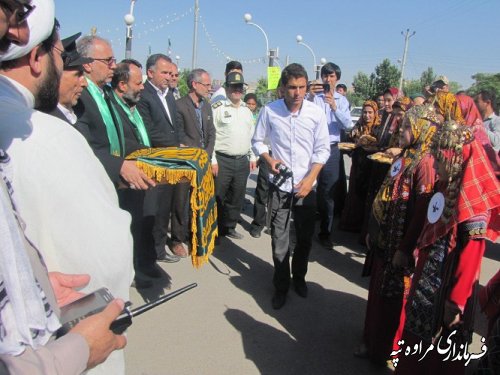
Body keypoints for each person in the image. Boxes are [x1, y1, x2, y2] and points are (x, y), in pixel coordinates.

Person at [0, 1, 132, 373]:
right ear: (36, 58)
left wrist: (33, 281)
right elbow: (107, 255)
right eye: (61, 55)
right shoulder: (47, 134)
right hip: (54, 349)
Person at [394, 120, 500, 374]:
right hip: (427, 283)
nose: (435, 166)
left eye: (439, 160)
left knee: (439, 352)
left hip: (448, 291)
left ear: (455, 159)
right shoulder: (445, 185)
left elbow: (472, 255)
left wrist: (455, 303)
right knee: (416, 341)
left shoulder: (473, 201)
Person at [74, 37, 161, 286]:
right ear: (88, 65)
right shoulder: (81, 96)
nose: (113, 65)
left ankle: (125, 277)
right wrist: (119, 165)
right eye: (108, 60)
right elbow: (83, 144)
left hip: (116, 180)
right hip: (97, 181)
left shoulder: (105, 95)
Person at [357, 104, 438, 366]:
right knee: (377, 295)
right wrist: (373, 229)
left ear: (421, 130)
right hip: (383, 241)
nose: (400, 131)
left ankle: (389, 352)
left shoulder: (425, 163)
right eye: (401, 126)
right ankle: (370, 342)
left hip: (399, 247)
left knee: (394, 303)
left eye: (406, 127)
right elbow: (385, 191)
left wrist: (405, 248)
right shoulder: (405, 155)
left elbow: (420, 212)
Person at [252, 63, 330, 310]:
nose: (297, 93)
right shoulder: (270, 111)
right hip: (280, 186)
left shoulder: (316, 113)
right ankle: (281, 285)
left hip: (307, 188)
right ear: (283, 88)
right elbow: (258, 141)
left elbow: (323, 149)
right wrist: (269, 159)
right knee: (279, 238)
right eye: (292, 88)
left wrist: (310, 178)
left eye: (302, 87)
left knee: (305, 238)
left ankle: (299, 278)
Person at [137, 53, 188, 260]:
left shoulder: (168, 94)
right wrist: (176, 146)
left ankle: (159, 250)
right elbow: (149, 131)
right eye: (165, 72)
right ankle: (149, 253)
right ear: (150, 73)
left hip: (170, 163)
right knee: (153, 210)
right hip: (155, 162)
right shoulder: (144, 95)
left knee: (165, 209)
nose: (169, 77)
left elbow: (175, 125)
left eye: (170, 73)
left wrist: (181, 143)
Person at [307, 62, 352, 248]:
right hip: (312, 148)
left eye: (332, 76)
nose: (328, 79)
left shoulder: (342, 101)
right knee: (309, 188)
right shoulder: (313, 98)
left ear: (337, 79)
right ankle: (305, 229)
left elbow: (348, 125)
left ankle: (325, 232)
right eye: (325, 75)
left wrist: (334, 107)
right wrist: (309, 95)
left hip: (332, 149)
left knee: (329, 192)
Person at [212, 71, 256, 239]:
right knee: (218, 197)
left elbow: (250, 135)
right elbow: (211, 137)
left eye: (240, 87)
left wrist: (252, 156)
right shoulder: (218, 108)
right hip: (222, 161)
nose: (237, 90)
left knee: (236, 198)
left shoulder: (246, 110)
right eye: (233, 86)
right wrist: (213, 160)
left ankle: (228, 228)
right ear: (226, 87)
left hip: (241, 161)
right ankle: (213, 231)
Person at [339, 100, 380, 232]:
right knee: (354, 193)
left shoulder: (378, 127)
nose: (367, 115)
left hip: (372, 166)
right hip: (358, 164)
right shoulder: (359, 126)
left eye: (370, 113)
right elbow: (351, 140)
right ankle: (351, 224)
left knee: (366, 195)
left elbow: (380, 146)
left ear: (375, 113)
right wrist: (356, 144)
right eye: (364, 112)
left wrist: (371, 146)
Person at [46, 32, 92, 123]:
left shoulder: (79, 111)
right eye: (78, 75)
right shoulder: (47, 120)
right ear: (56, 75)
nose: (85, 83)